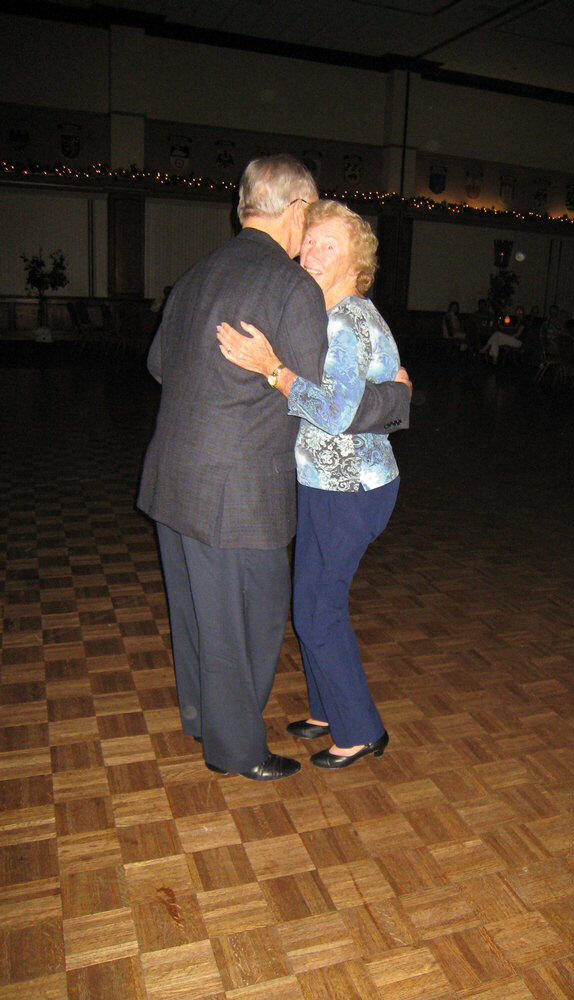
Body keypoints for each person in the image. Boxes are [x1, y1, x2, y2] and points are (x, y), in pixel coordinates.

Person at [137, 156, 411, 781]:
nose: (307, 238)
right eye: (306, 222)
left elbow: (159, 364)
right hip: (238, 490)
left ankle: (203, 717)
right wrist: (399, 398)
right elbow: (323, 393)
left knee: (199, 614)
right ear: (292, 211)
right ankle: (236, 751)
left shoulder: (195, 274)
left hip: (172, 477)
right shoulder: (287, 287)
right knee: (250, 619)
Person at [216, 200, 408, 769]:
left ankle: (361, 729)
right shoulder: (334, 315)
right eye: (309, 242)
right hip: (332, 485)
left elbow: (339, 412)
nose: (308, 253)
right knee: (315, 601)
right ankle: (327, 707)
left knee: (318, 610)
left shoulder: (347, 319)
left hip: (348, 489)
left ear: (356, 260)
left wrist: (272, 370)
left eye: (327, 244)